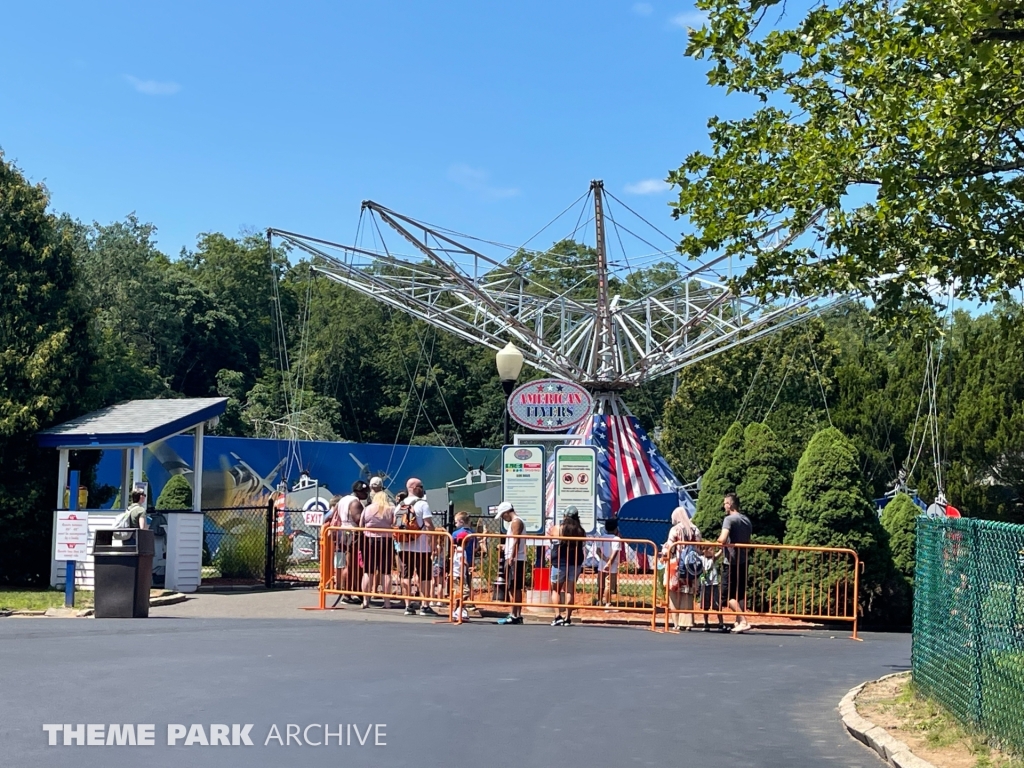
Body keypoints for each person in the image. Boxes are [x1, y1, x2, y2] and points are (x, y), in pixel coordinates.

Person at [396, 478, 436, 616]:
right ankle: (424, 605)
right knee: (424, 575)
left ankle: (408, 605)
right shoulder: (422, 504)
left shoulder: (400, 505)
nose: (422, 488)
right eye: (421, 486)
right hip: (422, 547)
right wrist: (434, 540)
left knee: (406, 575)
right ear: (413, 487)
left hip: (404, 546)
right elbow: (429, 524)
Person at [662, 506, 701, 631]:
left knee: (674, 594)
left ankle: (676, 622)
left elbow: (669, 548)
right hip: (691, 566)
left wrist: (663, 553)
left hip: (676, 565)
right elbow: (699, 549)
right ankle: (688, 622)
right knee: (688, 593)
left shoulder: (675, 529)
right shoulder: (695, 529)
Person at [718, 492, 753, 633]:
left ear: (730, 504)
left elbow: (722, 538)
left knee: (727, 596)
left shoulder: (729, 519)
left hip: (731, 562)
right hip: (743, 560)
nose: (724, 505)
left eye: (725, 503)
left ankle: (743, 621)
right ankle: (738, 621)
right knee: (740, 594)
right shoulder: (746, 520)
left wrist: (717, 542)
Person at [548, 507, 586, 626]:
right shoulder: (581, 531)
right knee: (570, 590)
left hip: (560, 562)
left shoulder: (558, 529)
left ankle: (557, 615)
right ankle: (568, 617)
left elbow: (551, 539)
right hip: (575, 562)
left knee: (556, 589)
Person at [359, 490, 395, 609]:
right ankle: (387, 602)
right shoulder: (390, 510)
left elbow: (361, 524)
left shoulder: (367, 509)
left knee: (368, 571)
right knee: (386, 572)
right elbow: (394, 524)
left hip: (369, 540)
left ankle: (365, 600)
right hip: (386, 540)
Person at [495, 502, 526, 625]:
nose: (503, 518)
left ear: (507, 512)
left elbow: (516, 540)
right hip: (514, 557)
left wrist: (512, 556)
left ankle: (514, 614)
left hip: (515, 558)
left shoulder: (516, 522)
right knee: (514, 587)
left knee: (514, 587)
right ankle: (515, 614)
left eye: (503, 515)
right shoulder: (514, 523)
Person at [596, 518, 623, 607]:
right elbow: (615, 552)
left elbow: (598, 551)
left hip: (601, 564)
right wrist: (609, 562)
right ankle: (608, 603)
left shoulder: (602, 537)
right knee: (608, 584)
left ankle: (599, 600)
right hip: (612, 565)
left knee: (601, 584)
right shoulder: (617, 539)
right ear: (616, 529)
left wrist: (604, 559)